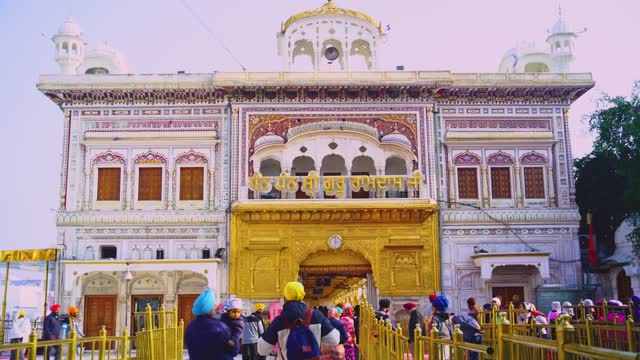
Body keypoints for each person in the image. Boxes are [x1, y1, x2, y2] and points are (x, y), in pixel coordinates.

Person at [258, 281, 339, 359]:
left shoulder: (279, 321)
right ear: (303, 296)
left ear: (286, 297)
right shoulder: (317, 315)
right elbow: (334, 339)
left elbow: (262, 350)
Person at [184, 289, 238, 360]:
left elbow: (188, 344)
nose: (216, 307)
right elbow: (234, 351)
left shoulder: (190, 326)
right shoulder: (220, 327)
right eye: (213, 305)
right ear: (209, 309)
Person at [429, 296, 453, 360]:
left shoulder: (435, 317)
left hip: (438, 343)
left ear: (435, 307)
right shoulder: (448, 317)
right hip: (448, 342)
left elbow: (433, 330)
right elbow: (451, 331)